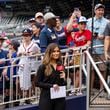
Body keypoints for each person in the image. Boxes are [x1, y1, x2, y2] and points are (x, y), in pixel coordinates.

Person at [87, 3, 109, 95]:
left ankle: (101, 90)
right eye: (99, 10)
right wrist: (90, 35)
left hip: (102, 50)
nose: (100, 12)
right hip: (91, 50)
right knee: (91, 70)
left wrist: (103, 37)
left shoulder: (107, 22)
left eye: (102, 10)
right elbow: (85, 33)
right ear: (95, 11)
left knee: (103, 70)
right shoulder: (89, 21)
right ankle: (90, 90)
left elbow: (109, 37)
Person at [36, 43, 66, 110]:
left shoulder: (61, 65)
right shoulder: (43, 67)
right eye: (54, 51)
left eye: (58, 51)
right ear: (49, 53)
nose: (56, 53)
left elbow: (63, 84)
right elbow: (37, 83)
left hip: (59, 98)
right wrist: (51, 86)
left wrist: (64, 79)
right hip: (47, 98)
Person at [17, 28, 40, 103]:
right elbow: (18, 54)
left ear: (30, 36)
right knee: (23, 82)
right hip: (23, 66)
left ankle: (32, 96)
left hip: (32, 66)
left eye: (27, 35)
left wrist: (33, 54)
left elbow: (39, 54)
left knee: (31, 81)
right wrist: (21, 53)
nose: (25, 37)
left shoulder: (34, 45)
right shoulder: (21, 45)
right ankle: (27, 98)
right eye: (24, 35)